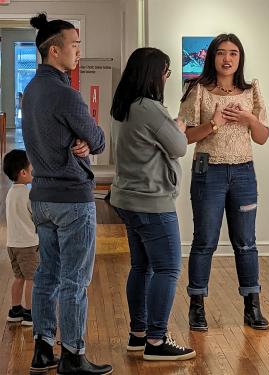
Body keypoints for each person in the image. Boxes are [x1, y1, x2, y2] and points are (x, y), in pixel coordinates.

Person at [23, 13, 112, 375]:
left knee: (47, 274)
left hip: (41, 196)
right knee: (75, 279)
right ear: (55, 50)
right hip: (71, 200)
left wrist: (75, 142)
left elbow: (56, 136)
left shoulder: (30, 90)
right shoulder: (65, 93)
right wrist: (85, 141)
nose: (78, 51)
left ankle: (43, 349)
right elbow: (100, 140)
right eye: (74, 45)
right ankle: (73, 355)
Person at [178, 33, 269, 331]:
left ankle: (252, 305)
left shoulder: (251, 90)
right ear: (212, 57)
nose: (227, 59)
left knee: (246, 242)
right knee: (205, 240)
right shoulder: (198, 90)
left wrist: (248, 118)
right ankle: (197, 305)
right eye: (221, 53)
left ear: (240, 58)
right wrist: (214, 123)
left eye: (233, 53)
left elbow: (263, 137)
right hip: (209, 172)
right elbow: (185, 138)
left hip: (244, 172)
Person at [110, 47, 195, 361]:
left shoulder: (124, 106)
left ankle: (139, 334)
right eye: (166, 71)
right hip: (151, 201)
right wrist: (179, 130)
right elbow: (179, 147)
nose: (166, 77)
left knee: (142, 266)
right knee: (168, 268)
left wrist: (170, 130)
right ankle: (157, 341)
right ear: (154, 74)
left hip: (128, 198)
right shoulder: (149, 107)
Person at [3, 149, 38, 327]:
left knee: (19, 277)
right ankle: (30, 313)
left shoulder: (10, 193)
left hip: (12, 244)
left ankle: (15, 310)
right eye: (31, 167)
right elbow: (36, 215)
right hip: (28, 245)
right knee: (32, 278)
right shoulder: (27, 194)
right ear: (23, 173)